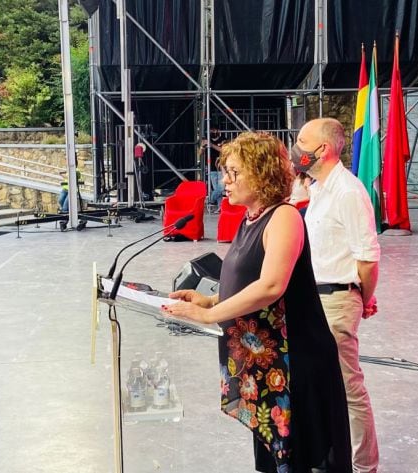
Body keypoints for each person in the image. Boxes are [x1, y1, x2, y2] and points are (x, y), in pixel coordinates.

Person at [163, 132, 352, 472]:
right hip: (268, 363)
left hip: (295, 362)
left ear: (262, 173)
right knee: (275, 456)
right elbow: (247, 283)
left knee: (300, 457)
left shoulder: (284, 217)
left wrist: (210, 316)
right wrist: (210, 300)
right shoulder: (250, 219)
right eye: (226, 172)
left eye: (234, 172)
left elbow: (271, 286)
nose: (225, 181)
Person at [292, 118, 380, 473]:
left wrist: (364, 297)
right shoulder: (319, 188)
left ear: (323, 149)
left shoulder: (347, 192)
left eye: (301, 141)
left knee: (348, 388)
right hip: (316, 299)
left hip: (338, 299)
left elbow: (368, 259)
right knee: (321, 385)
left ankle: (364, 466)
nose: (296, 149)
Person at [201, 127, 226, 209]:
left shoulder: (223, 139)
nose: (213, 132)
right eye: (211, 130)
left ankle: (210, 200)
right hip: (211, 168)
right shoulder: (207, 140)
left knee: (221, 187)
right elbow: (200, 154)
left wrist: (211, 145)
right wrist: (202, 147)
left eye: (214, 130)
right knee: (216, 188)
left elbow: (223, 150)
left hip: (221, 167)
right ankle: (220, 207)